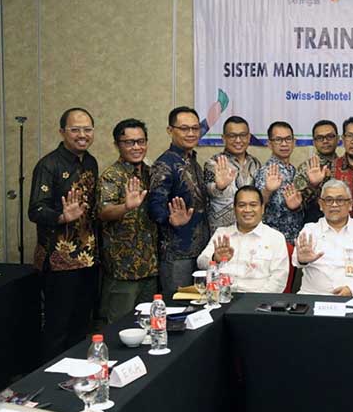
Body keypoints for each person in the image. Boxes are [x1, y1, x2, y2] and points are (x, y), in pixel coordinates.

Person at [28, 107, 99, 360]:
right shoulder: (49, 165)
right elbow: (35, 210)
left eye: (87, 129)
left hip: (88, 259)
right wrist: (61, 217)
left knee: (82, 325)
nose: (82, 134)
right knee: (57, 327)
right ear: (62, 132)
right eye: (75, 129)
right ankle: (48, 385)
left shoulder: (90, 161)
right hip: (58, 262)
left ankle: (76, 377)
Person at [97, 119, 158, 324]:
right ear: (117, 145)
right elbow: (103, 212)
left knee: (148, 325)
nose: (136, 147)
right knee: (119, 327)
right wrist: (126, 207)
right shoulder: (111, 176)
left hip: (149, 266)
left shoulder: (151, 173)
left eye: (141, 141)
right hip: (123, 269)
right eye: (129, 142)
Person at [148, 106, 210, 295]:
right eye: (184, 128)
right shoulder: (164, 164)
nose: (191, 133)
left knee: (199, 307)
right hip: (177, 253)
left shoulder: (192, 161)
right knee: (178, 307)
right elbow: (154, 207)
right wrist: (170, 219)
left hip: (200, 250)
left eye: (195, 128)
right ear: (170, 130)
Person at [293, 179, 353, 296]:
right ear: (321, 205)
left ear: (350, 205)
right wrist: (302, 260)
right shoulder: (310, 230)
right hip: (313, 297)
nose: (334, 205)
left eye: (340, 200)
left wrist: (352, 290)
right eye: (329, 200)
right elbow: (296, 261)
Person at [197, 186, 288, 293]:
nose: (247, 210)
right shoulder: (222, 233)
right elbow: (200, 263)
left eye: (253, 205)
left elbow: (278, 280)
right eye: (242, 205)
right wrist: (215, 259)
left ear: (262, 208)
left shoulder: (275, 238)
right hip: (222, 297)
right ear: (234, 209)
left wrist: (257, 302)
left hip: (258, 301)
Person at [203, 116, 261, 231]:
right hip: (222, 230)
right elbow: (209, 191)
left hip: (250, 228)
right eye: (232, 136)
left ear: (249, 137)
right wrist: (220, 187)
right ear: (223, 138)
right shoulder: (214, 163)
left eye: (243, 135)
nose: (238, 140)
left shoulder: (255, 163)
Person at [255, 121, 303, 243]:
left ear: (294, 142)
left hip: (294, 238)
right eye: (278, 140)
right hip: (273, 241)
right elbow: (257, 203)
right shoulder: (267, 171)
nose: (284, 144)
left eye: (288, 139)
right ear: (269, 144)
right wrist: (268, 190)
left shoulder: (293, 170)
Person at [294, 120, 339, 225]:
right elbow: (297, 205)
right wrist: (313, 185)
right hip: (315, 226)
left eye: (330, 136)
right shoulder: (305, 168)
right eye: (320, 138)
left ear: (337, 139)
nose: (325, 141)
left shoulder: (345, 165)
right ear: (314, 142)